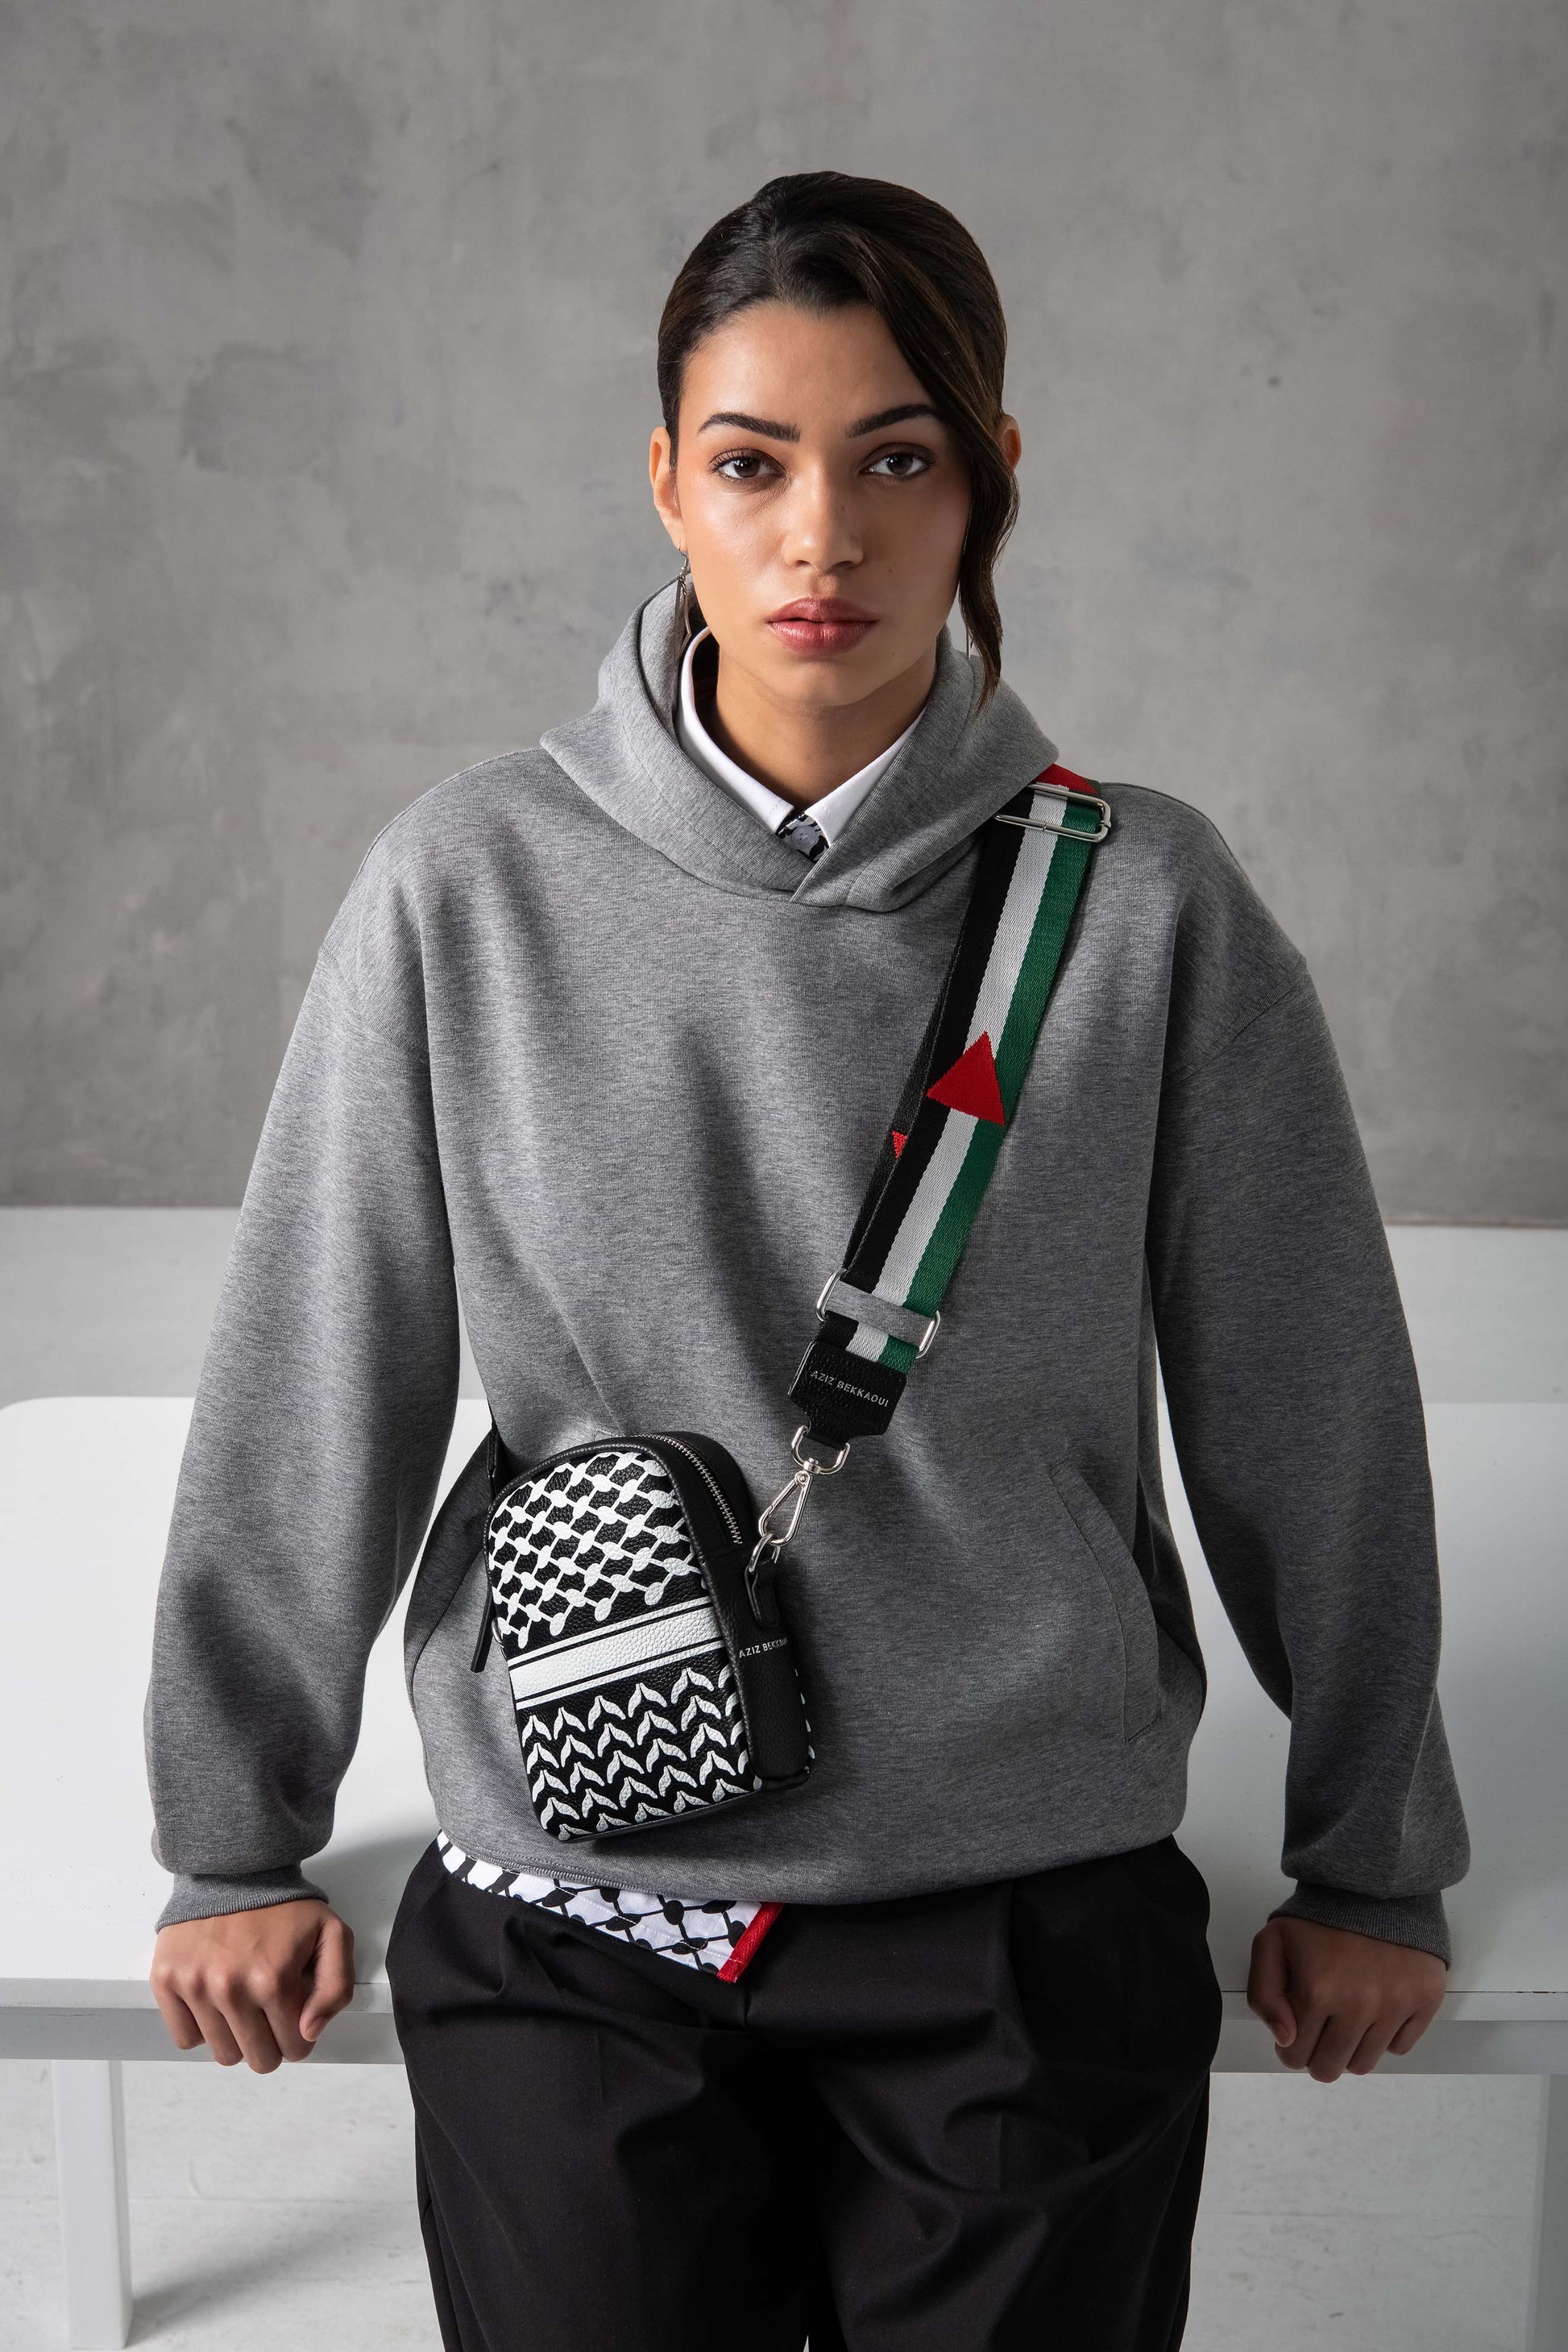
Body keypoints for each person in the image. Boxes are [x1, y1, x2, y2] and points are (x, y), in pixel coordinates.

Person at [143, 171, 1471, 2350]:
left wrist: (1371, 1859)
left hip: (1022, 1894)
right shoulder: (465, 883)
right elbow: (322, 1364)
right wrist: (233, 1838)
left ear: (991, 478)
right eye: (753, 465)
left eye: (897, 461)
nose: (821, 539)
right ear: (667, 482)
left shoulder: (1147, 906)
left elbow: (1304, 1399)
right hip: (578, 1891)